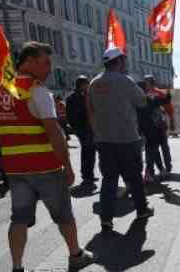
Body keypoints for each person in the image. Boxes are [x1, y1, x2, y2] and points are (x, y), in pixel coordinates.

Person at [0, 42, 93, 272]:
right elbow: (53, 131)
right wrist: (68, 166)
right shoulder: (36, 90)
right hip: (44, 166)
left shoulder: (2, 89)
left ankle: (17, 271)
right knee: (63, 215)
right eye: (46, 62)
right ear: (30, 61)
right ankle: (76, 255)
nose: (50, 68)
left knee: (19, 219)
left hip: (16, 168)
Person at [87, 47, 153, 230]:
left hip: (104, 140)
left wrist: (97, 134)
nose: (125, 63)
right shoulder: (125, 81)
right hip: (126, 139)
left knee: (108, 181)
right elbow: (142, 102)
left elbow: (90, 110)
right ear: (119, 61)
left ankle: (106, 219)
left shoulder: (94, 83)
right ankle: (142, 210)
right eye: (123, 60)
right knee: (134, 179)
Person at [66, 75, 97, 189]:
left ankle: (89, 175)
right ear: (82, 84)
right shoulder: (78, 97)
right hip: (84, 128)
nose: (88, 86)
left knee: (89, 151)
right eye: (87, 84)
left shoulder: (78, 96)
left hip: (85, 128)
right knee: (88, 152)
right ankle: (87, 176)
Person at [145, 74, 174, 172]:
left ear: (150, 82)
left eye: (147, 82)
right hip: (151, 126)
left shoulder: (160, 93)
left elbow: (169, 108)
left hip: (159, 125)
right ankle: (163, 167)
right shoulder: (143, 94)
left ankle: (166, 166)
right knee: (158, 147)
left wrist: (172, 121)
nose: (145, 84)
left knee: (162, 146)